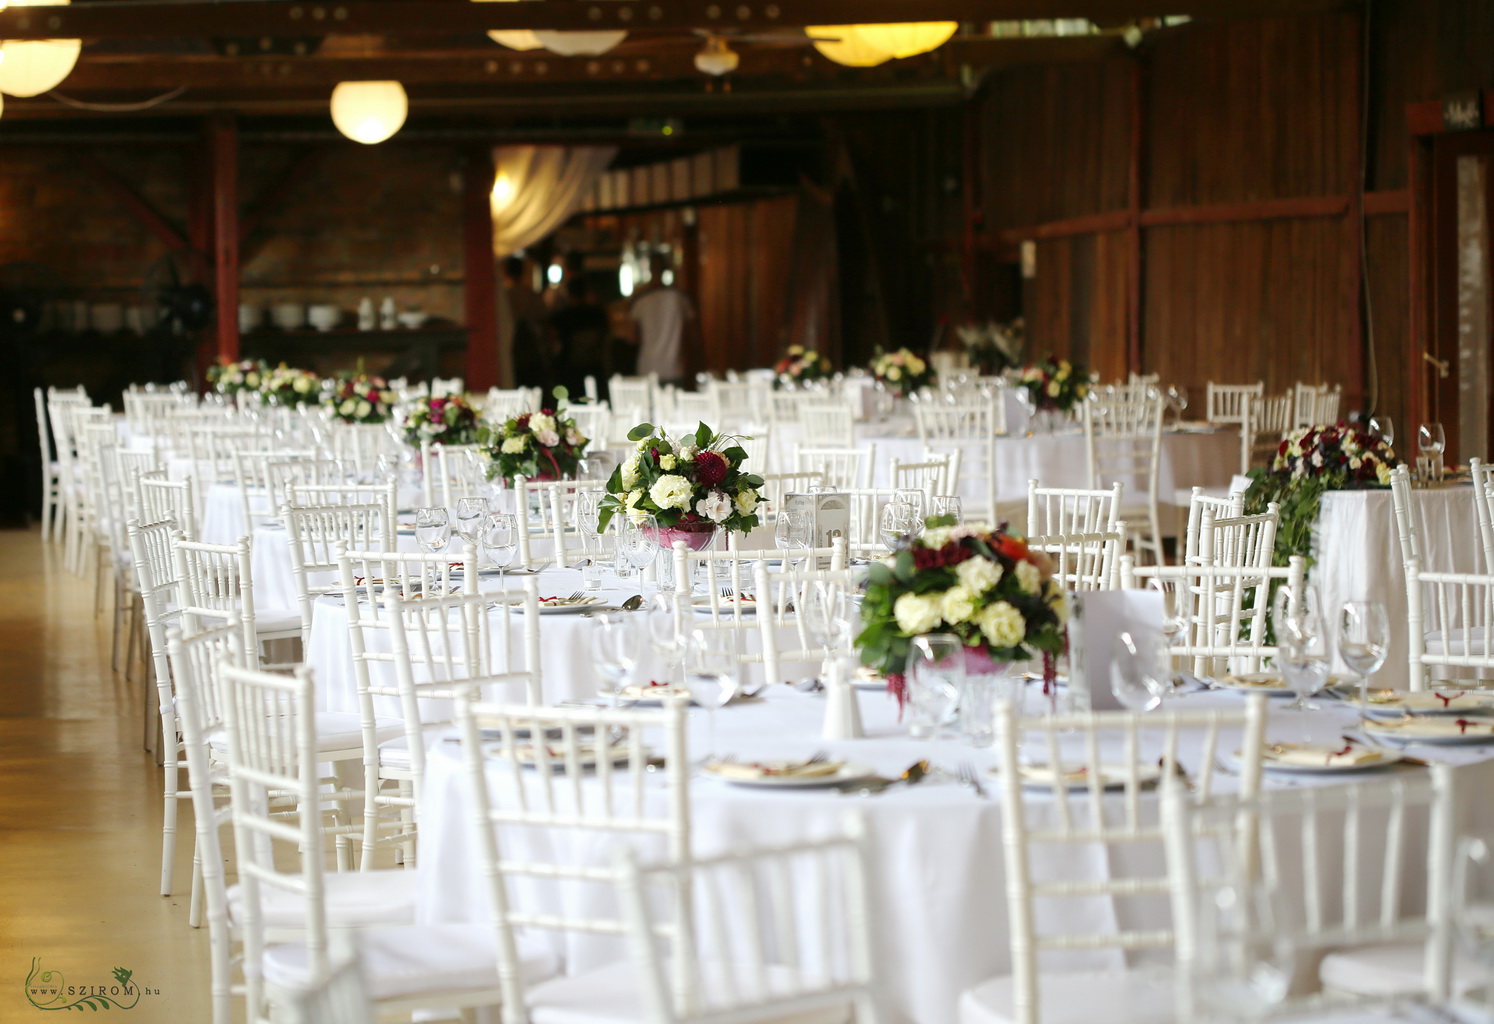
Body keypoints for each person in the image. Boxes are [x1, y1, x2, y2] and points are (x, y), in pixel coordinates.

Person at [627, 255, 698, 388]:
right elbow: (693, 335)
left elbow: (632, 337)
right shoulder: (680, 298)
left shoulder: (640, 301)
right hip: (674, 365)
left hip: (648, 365)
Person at [548, 278, 610, 399]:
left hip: (568, 371)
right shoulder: (597, 314)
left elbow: (550, 340)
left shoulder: (563, 316)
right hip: (594, 368)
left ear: (568, 294)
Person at [501, 256, 550, 390]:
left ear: (505, 272)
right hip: (531, 344)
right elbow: (543, 318)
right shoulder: (530, 293)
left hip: (515, 343)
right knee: (533, 384)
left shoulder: (505, 295)